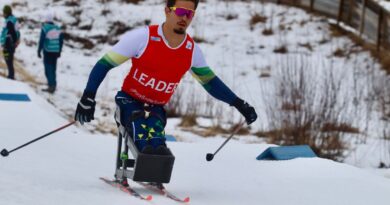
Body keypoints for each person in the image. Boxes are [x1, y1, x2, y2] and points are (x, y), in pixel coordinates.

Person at [74, 0, 257, 155]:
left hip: (156, 106)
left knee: (158, 143)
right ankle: (137, 165)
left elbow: (210, 82)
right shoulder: (142, 37)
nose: (184, 18)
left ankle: (156, 170)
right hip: (129, 101)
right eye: (180, 11)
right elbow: (104, 64)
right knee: (140, 136)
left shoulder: (192, 51)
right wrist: (88, 96)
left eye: (190, 14)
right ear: (167, 11)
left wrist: (239, 104)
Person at [38, 12, 63, 93]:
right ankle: (53, 84)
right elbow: (61, 40)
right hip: (55, 51)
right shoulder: (57, 28)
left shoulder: (45, 28)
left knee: (48, 69)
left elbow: (41, 40)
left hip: (48, 51)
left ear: (46, 20)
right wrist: (59, 51)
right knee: (53, 68)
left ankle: (51, 86)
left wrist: (39, 50)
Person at [0, 5, 20, 80]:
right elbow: (16, 31)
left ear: (7, 13)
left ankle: (11, 76)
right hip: (11, 43)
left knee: (8, 59)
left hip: (8, 44)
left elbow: (11, 32)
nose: (3, 14)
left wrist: (13, 42)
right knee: (9, 59)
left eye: (4, 13)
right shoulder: (14, 19)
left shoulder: (9, 21)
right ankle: (10, 75)